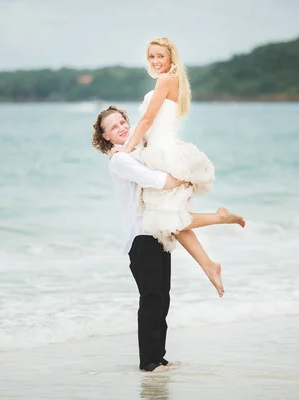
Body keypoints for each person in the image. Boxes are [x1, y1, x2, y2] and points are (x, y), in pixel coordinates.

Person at [91, 106, 243, 372]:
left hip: (158, 231)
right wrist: (183, 179)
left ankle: (159, 357)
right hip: (140, 237)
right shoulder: (119, 160)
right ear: (105, 137)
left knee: (163, 297)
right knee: (151, 298)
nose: (122, 127)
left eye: (123, 121)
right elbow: (155, 180)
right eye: (114, 127)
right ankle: (148, 361)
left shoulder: (136, 151)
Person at [110, 37, 244, 296]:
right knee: (170, 221)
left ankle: (220, 219)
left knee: (169, 220)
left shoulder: (165, 80)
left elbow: (148, 120)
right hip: (159, 151)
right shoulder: (175, 81)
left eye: (160, 56)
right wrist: (134, 150)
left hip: (165, 155)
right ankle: (209, 265)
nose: (156, 61)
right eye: (152, 57)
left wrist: (126, 149)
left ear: (171, 57)